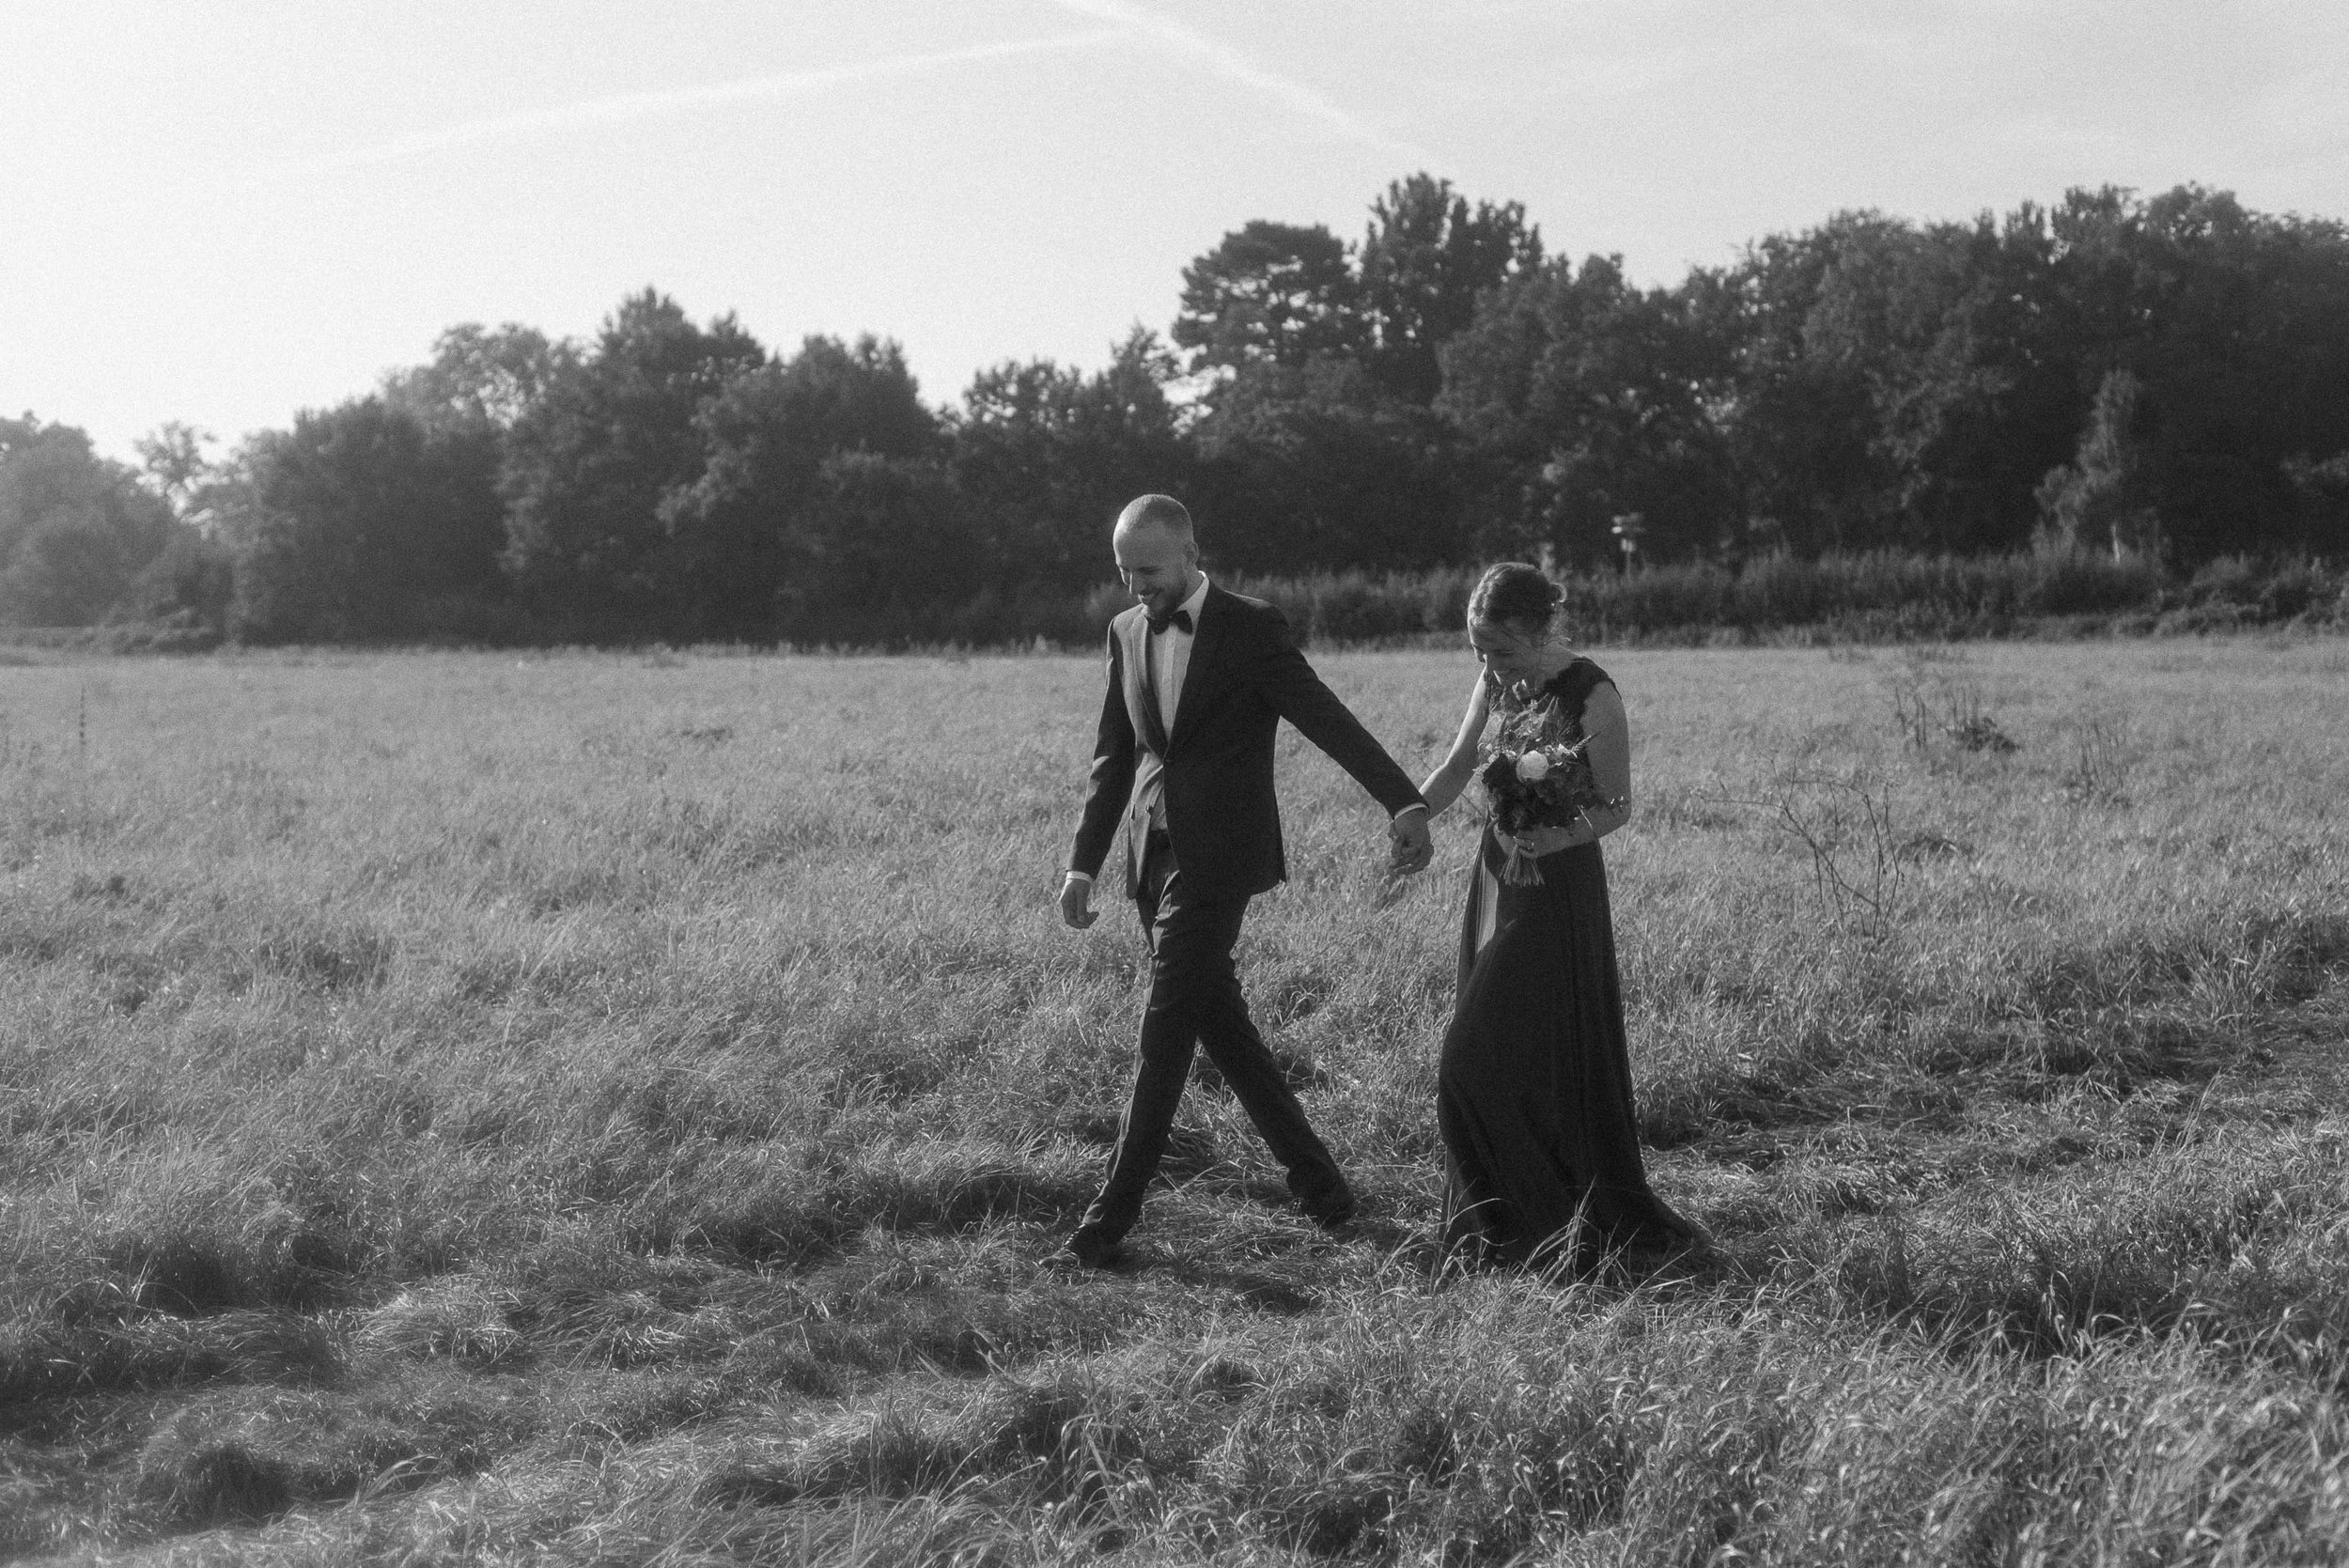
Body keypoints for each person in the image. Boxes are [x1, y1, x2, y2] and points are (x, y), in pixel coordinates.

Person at [1057, 494, 1434, 1267]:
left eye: (1149, 570)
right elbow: (1115, 756)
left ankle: (1108, 1220)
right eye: (1125, 573)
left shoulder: (1252, 626)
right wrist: (1082, 864)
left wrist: (1402, 799)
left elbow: (1323, 715)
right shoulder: (1124, 631)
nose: (1137, 587)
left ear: (1191, 554)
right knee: (1222, 1029)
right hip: (1151, 857)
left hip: (1221, 858)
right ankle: (1323, 1188)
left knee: (1165, 1030)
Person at [1412, 562, 1700, 1271]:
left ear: (1543, 630)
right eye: (1478, 650)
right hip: (1497, 877)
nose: (1489, 666)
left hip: (1556, 889)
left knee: (1472, 1055)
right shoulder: (1494, 682)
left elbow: (1617, 805)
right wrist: (1411, 814)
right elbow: (1457, 767)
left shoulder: (1592, 692)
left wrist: (1556, 836)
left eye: (1502, 650)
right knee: (1509, 1052)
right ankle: (1504, 1220)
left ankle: (1551, 1213)